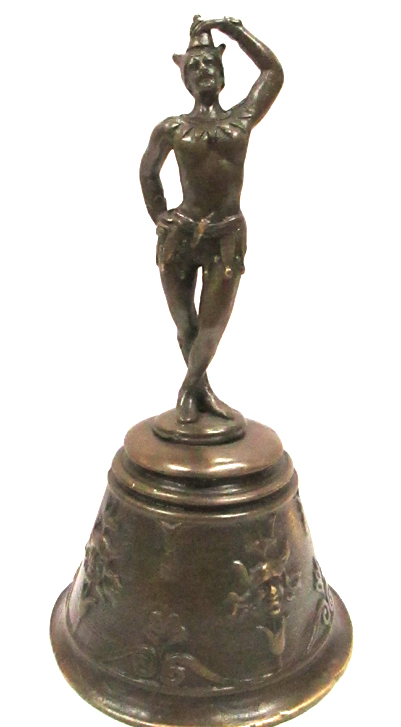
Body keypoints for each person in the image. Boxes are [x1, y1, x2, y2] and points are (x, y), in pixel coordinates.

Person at [140, 16, 283, 424]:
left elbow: (273, 72)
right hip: (181, 238)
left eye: (210, 64)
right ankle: (201, 392)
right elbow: (148, 172)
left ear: (222, 72)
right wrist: (160, 216)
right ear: (184, 78)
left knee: (212, 326)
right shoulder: (173, 128)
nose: (203, 71)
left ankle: (189, 388)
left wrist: (232, 29)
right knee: (186, 323)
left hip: (226, 237)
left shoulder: (241, 119)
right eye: (194, 66)